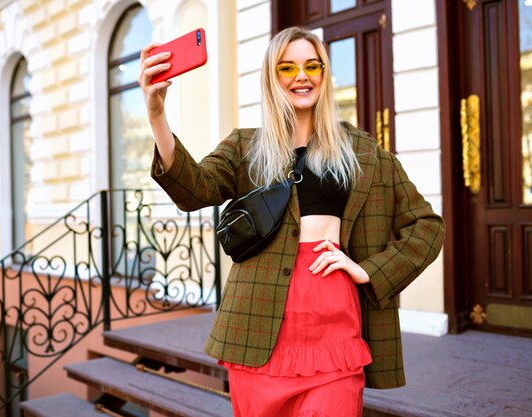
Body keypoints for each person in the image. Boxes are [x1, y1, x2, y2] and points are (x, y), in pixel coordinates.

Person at [139, 26, 445, 417]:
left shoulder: (364, 152)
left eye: (311, 65)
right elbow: (194, 191)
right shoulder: (245, 146)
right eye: (287, 68)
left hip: (335, 322)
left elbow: (426, 225)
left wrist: (369, 271)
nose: (301, 76)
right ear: (272, 78)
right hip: (256, 324)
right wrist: (156, 114)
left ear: (324, 73)